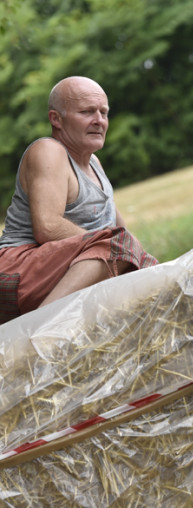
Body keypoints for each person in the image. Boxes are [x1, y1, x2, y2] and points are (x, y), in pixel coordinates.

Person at [0, 76, 156, 324]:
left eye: (103, 112)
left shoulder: (94, 163)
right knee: (118, 247)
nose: (99, 120)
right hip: (15, 272)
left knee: (146, 266)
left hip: (66, 268)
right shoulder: (49, 151)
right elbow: (47, 227)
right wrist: (115, 248)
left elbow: (122, 233)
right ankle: (38, 330)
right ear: (56, 119)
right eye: (87, 112)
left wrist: (143, 263)